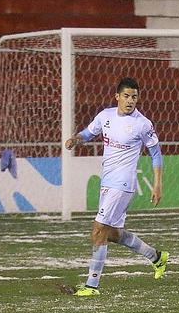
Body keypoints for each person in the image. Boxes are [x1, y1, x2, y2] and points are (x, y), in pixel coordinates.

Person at [63, 77, 169, 296]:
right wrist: (75, 139)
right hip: (107, 182)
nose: (131, 101)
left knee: (98, 229)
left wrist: (157, 185)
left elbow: (156, 155)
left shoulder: (143, 124)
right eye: (127, 96)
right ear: (117, 97)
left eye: (135, 97)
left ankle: (92, 286)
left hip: (123, 183)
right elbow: (88, 133)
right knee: (112, 234)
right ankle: (156, 257)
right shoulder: (106, 116)